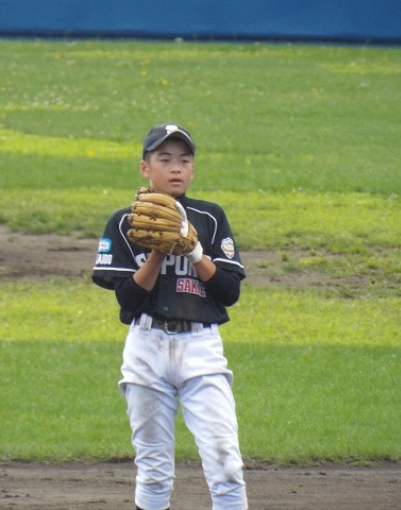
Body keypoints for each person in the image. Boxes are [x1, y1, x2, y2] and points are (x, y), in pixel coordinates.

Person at [92, 123, 248, 510]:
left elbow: (229, 293)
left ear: (193, 169)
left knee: (226, 462)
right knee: (153, 469)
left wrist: (194, 251)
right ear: (145, 168)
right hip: (147, 346)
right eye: (164, 159)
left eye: (184, 160)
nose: (176, 167)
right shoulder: (126, 223)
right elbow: (128, 300)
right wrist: (160, 249)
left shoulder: (210, 218)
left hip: (201, 347)